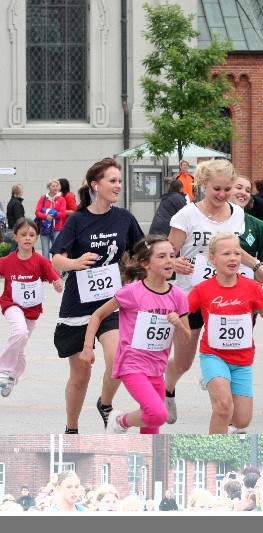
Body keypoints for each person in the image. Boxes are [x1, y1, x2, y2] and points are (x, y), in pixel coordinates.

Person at [163, 158, 263, 425]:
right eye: (217, 189)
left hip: (225, 297)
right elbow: (166, 253)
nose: (222, 195)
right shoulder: (186, 215)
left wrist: (257, 266)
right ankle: (168, 389)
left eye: (227, 189)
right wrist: (174, 263)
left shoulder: (237, 214)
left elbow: (235, 249)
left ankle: (225, 405)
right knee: (184, 362)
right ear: (203, 185)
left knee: (230, 351)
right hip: (192, 295)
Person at [51, 157, 145, 434]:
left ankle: (105, 404)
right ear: (95, 184)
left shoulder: (124, 218)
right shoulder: (77, 220)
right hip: (77, 305)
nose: (118, 186)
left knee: (118, 358)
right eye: (112, 181)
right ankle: (71, 429)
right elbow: (56, 258)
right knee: (80, 376)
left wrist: (167, 262)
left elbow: (143, 252)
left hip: (111, 304)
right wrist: (75, 263)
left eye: (119, 181)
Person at [78, 235, 191, 434]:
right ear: (145, 263)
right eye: (162, 256)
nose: (169, 261)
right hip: (132, 365)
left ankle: (144, 454)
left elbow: (185, 339)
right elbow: (97, 315)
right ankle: (119, 421)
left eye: (172, 256)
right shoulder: (132, 292)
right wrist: (88, 347)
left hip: (157, 368)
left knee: (151, 428)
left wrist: (179, 325)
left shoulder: (178, 296)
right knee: (159, 414)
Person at [188, 232, 263, 433]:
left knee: (241, 420)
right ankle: (214, 446)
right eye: (226, 254)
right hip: (213, 355)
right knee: (223, 407)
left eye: (237, 254)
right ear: (213, 259)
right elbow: (181, 313)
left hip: (242, 360)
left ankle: (218, 384)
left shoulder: (252, 287)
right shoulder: (202, 289)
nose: (233, 258)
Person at [0, 218, 63, 396]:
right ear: (15, 237)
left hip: (32, 310)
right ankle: (4, 370)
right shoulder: (6, 261)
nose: (27, 238)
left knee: (20, 343)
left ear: (36, 238)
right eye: (23, 234)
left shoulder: (41, 261)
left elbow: (55, 279)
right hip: (11, 304)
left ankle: (12, 376)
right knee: (19, 332)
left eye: (31, 235)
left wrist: (58, 284)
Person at [35, 179, 67, 259]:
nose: (55, 188)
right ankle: (46, 266)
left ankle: (56, 267)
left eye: (56, 186)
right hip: (45, 227)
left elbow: (63, 213)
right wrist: (45, 217)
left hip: (57, 228)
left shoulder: (61, 199)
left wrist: (52, 215)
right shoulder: (43, 198)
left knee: (56, 251)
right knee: (45, 251)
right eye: (53, 186)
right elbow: (37, 212)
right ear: (49, 187)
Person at [7, 184, 24, 251]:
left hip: (12, 227)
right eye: (21, 190)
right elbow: (19, 218)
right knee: (14, 249)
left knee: (14, 247)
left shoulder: (11, 201)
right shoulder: (17, 203)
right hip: (16, 228)